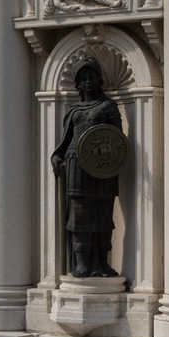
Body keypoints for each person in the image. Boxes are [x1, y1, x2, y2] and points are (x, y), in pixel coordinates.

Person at [50, 58, 121, 278]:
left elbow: (117, 139)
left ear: (99, 80)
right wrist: (56, 157)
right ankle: (81, 263)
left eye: (91, 77)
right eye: (83, 78)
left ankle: (101, 263)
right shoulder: (73, 111)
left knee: (102, 216)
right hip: (76, 167)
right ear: (78, 84)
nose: (88, 82)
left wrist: (106, 153)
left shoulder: (108, 106)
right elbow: (65, 140)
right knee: (79, 217)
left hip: (103, 168)